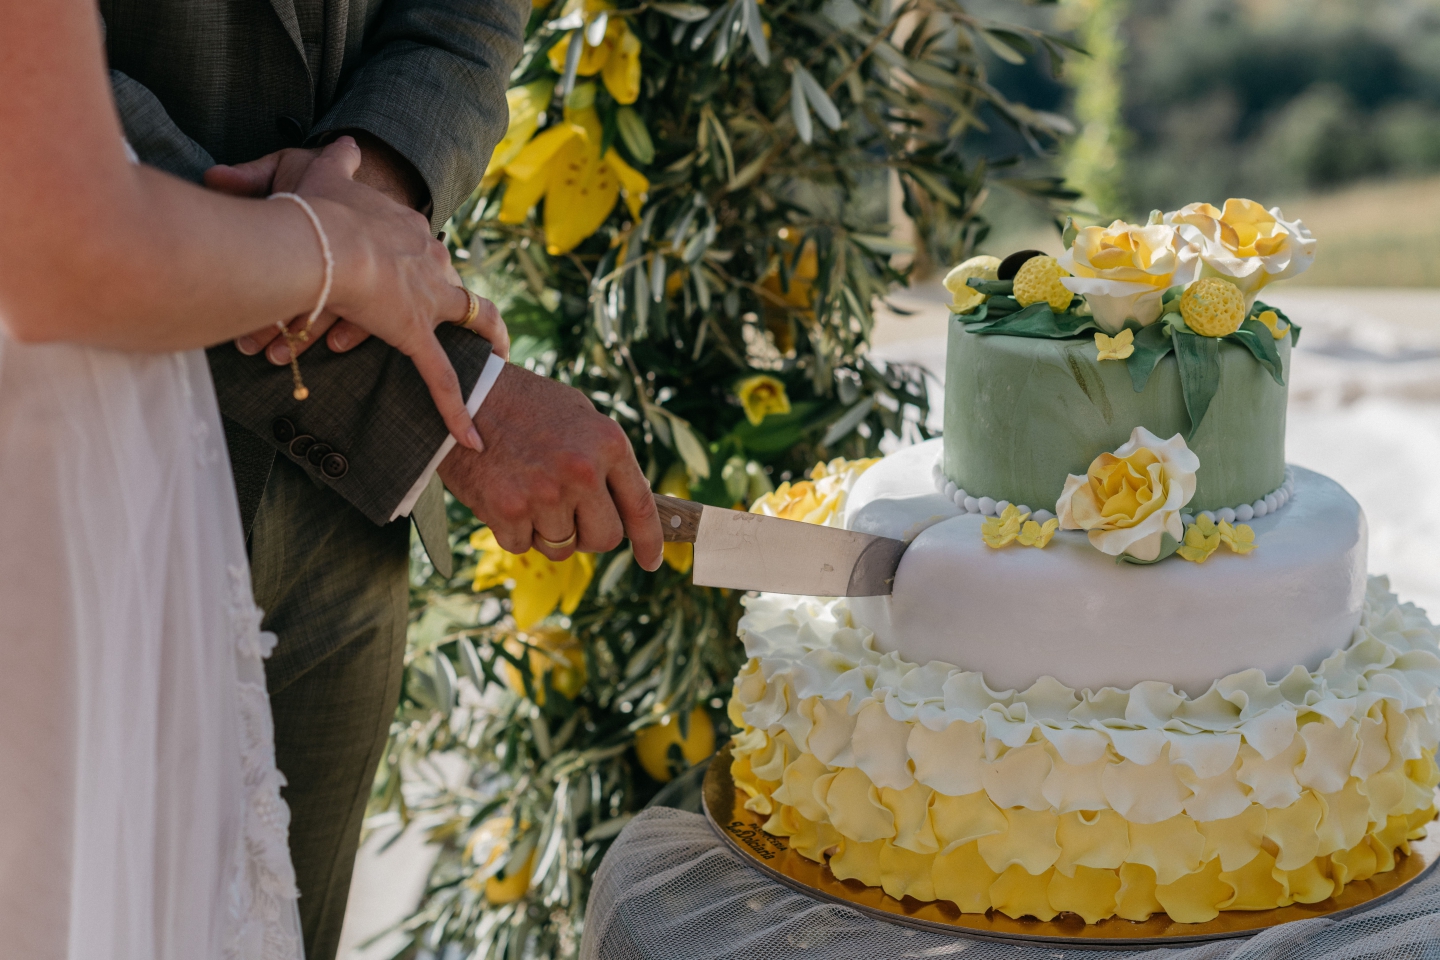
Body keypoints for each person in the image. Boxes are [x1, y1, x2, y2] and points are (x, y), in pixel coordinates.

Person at [0, 3, 663, 959]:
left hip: (337, 535)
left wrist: (375, 180)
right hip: (71, 491)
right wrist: (425, 372)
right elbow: (57, 206)